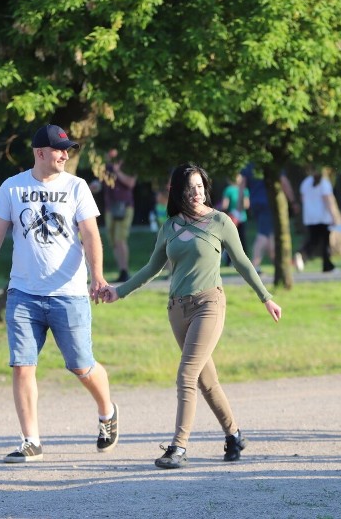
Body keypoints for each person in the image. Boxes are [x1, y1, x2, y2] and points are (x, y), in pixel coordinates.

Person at [100, 163, 282, 469]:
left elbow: (243, 263)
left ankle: (179, 447)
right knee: (206, 381)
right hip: (177, 310)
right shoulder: (169, 226)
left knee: (186, 375)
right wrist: (119, 291)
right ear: (177, 191)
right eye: (189, 188)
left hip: (209, 304)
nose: (196, 192)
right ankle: (235, 435)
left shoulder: (220, 221)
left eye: (200, 186)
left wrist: (266, 297)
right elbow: (151, 269)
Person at [0, 123, 119, 463]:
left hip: (69, 292)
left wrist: (98, 276)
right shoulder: (12, 187)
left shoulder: (76, 187)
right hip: (23, 293)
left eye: (68, 149)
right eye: (60, 149)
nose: (65, 155)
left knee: (81, 365)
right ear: (40, 153)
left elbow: (90, 235)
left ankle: (107, 412)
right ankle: (31, 440)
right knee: (22, 365)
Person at [241, 163, 298, 274]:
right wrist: (293, 201)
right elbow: (284, 182)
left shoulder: (249, 165)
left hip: (255, 203)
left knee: (270, 235)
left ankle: (280, 263)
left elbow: (242, 186)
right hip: (268, 203)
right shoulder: (271, 162)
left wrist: (239, 206)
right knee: (263, 234)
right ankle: (253, 266)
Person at [298, 167, 341, 273]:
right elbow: (328, 201)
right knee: (324, 242)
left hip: (310, 217)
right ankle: (326, 265)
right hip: (323, 217)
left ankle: (303, 255)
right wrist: (334, 217)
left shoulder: (305, 183)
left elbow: (302, 199)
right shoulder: (324, 183)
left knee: (314, 240)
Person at [101, 149, 137, 282]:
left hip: (125, 207)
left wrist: (117, 171)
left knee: (120, 239)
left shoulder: (128, 166)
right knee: (113, 240)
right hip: (110, 207)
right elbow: (102, 185)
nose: (109, 153)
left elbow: (131, 183)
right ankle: (121, 270)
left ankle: (125, 271)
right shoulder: (105, 167)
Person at [220, 173, 250, 265]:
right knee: (242, 240)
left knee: (231, 241)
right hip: (242, 218)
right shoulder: (244, 190)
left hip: (231, 218)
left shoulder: (228, 190)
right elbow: (246, 205)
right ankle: (244, 261)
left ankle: (230, 261)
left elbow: (224, 206)